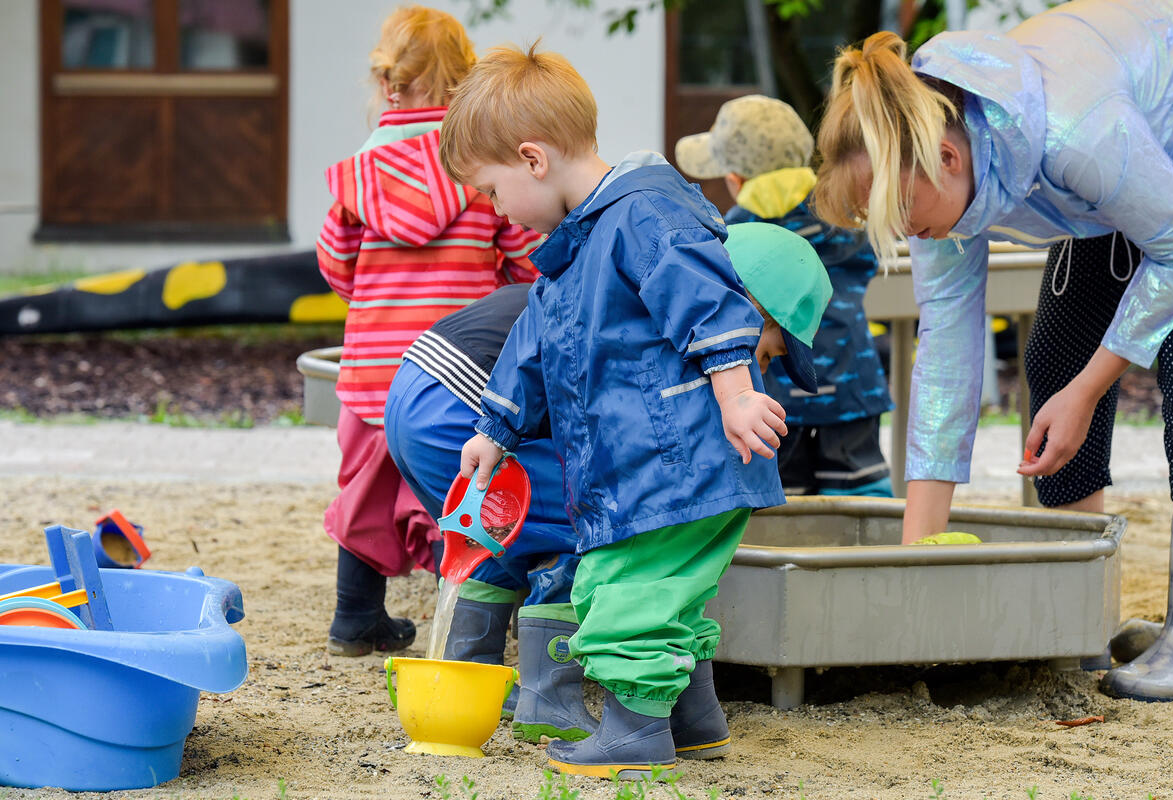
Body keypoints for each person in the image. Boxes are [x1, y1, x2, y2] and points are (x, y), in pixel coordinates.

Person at [439, 43, 831, 778]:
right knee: (670, 594)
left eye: (489, 192)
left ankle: (632, 733)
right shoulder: (576, 250)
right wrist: (494, 430)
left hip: (675, 457)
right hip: (654, 463)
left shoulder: (643, 215)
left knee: (620, 590)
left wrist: (739, 392)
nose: (495, 211)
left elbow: (711, 302)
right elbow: (532, 346)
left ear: (532, 159)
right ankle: (691, 716)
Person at [810, 0, 1173, 702]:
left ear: (950, 159)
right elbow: (947, 355)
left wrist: (1090, 389)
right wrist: (915, 569)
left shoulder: (1077, 134)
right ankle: (1091, 612)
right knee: (1052, 361)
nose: (908, 237)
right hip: (1117, 178)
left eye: (901, 217)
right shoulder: (935, 170)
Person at [315, 6, 541, 658]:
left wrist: (377, 295)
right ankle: (467, 628)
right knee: (458, 483)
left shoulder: (362, 175)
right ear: (463, 84)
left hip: (371, 367)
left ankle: (355, 617)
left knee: (363, 488)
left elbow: (336, 264)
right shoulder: (479, 167)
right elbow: (522, 255)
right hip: (455, 367)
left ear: (390, 82)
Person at [383, 283, 595, 743]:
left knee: (491, 535)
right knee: (576, 525)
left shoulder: (583, 273)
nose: (760, 367)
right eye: (766, 354)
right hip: (465, 402)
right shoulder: (650, 302)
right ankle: (551, 701)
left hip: (410, 389)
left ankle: (468, 678)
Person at [676, 94, 893, 496]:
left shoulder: (733, 236)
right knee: (862, 502)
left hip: (771, 398)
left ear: (736, 181)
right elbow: (866, 260)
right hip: (852, 384)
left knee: (786, 511)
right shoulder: (841, 216)